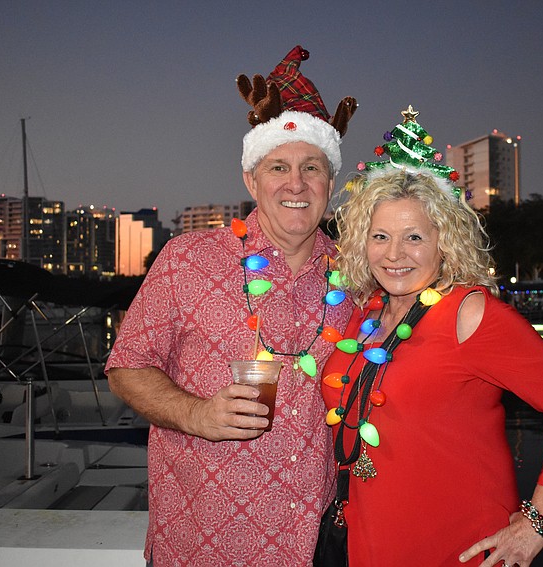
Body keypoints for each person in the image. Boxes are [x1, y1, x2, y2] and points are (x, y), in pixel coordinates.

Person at [105, 46, 357, 566]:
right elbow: (126, 367)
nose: (296, 184)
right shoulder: (186, 258)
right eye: (278, 167)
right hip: (203, 546)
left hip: (318, 547)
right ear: (250, 180)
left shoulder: (356, 275)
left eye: (312, 168)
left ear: (330, 184)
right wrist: (197, 413)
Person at [321, 107, 543, 566]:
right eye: (380, 236)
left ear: (444, 241)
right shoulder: (365, 314)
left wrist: (538, 522)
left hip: (458, 544)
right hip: (370, 539)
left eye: (414, 238)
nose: (394, 254)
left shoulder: (470, 313)